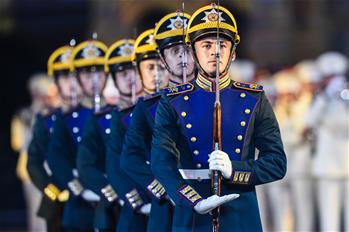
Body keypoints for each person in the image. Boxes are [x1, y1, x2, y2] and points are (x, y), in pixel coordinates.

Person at [151, 4, 287, 231]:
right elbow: (161, 161)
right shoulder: (172, 101)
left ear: (233, 53)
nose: (215, 51)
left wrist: (235, 170)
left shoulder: (254, 99)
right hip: (193, 213)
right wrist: (193, 201)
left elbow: (276, 163)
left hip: (240, 213)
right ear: (193, 52)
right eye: (206, 45)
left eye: (222, 45)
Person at [121, 11, 195, 231]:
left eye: (188, 51)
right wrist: (161, 187)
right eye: (175, 52)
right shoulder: (149, 106)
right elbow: (129, 157)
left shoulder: (214, 100)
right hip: (167, 204)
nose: (183, 59)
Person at [76, 39, 143, 232]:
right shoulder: (104, 118)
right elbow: (87, 164)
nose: (130, 78)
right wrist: (116, 192)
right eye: (123, 74)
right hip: (116, 208)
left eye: (133, 72)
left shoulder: (155, 111)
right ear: (113, 78)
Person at [106, 29, 167, 231]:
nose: (157, 74)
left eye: (160, 66)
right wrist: (139, 199)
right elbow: (118, 165)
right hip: (141, 207)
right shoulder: (126, 116)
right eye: (150, 67)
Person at [47, 39, 108, 231]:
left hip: (115, 199)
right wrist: (77, 188)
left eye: (98, 72)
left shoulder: (117, 113)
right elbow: (56, 158)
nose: (94, 80)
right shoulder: (65, 119)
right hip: (82, 202)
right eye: (86, 75)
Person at [27, 45, 81, 232]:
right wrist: (50, 188)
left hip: (91, 200)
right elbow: (33, 161)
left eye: (75, 76)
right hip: (58, 202)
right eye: (65, 78)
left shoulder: (95, 116)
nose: (72, 84)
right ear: (56, 83)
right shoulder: (46, 120)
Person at [305, 51, 349, 231]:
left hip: (347, 166)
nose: (332, 81)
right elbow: (308, 122)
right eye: (328, 77)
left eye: (335, 77)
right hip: (327, 167)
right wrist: (324, 98)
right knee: (328, 219)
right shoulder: (319, 99)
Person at [11, 73, 59, 232]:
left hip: (53, 171)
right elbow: (17, 143)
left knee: (53, 213)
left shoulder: (54, 113)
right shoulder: (25, 115)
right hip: (32, 173)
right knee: (37, 215)